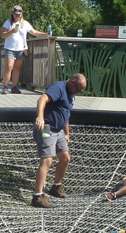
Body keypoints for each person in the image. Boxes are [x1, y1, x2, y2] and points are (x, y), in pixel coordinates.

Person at [31, 74, 87, 208]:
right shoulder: (58, 87)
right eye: (78, 89)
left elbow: (65, 113)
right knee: (47, 160)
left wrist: (67, 133)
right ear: (72, 81)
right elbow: (42, 99)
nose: (78, 92)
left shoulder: (71, 94)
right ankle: (37, 196)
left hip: (59, 130)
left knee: (65, 158)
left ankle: (55, 187)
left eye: (80, 91)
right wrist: (40, 117)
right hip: (46, 127)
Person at [0, 5, 48, 95]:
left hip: (20, 49)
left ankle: (14, 87)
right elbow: (2, 35)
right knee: (9, 67)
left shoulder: (25, 23)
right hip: (10, 48)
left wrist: (46, 34)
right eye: (16, 14)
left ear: (21, 14)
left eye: (19, 14)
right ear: (13, 14)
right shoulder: (8, 23)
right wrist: (12, 31)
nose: (17, 16)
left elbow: (34, 32)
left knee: (17, 68)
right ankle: (5, 87)